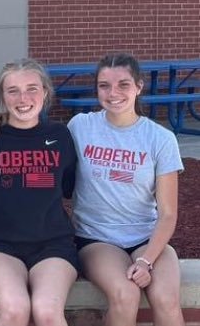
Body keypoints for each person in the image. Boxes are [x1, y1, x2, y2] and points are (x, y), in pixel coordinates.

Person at [68, 53, 184, 326]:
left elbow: (168, 214)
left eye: (123, 84)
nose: (113, 93)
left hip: (147, 236)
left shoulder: (160, 138)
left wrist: (145, 261)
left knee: (167, 300)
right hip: (97, 238)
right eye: (104, 85)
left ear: (139, 87)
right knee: (126, 294)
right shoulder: (80, 127)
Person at [0, 59, 78, 326]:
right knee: (14, 309)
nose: (23, 98)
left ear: (46, 92)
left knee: (47, 312)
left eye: (32, 88)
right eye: (12, 90)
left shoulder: (60, 135)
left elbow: (69, 187)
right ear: (3, 96)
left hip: (53, 245)